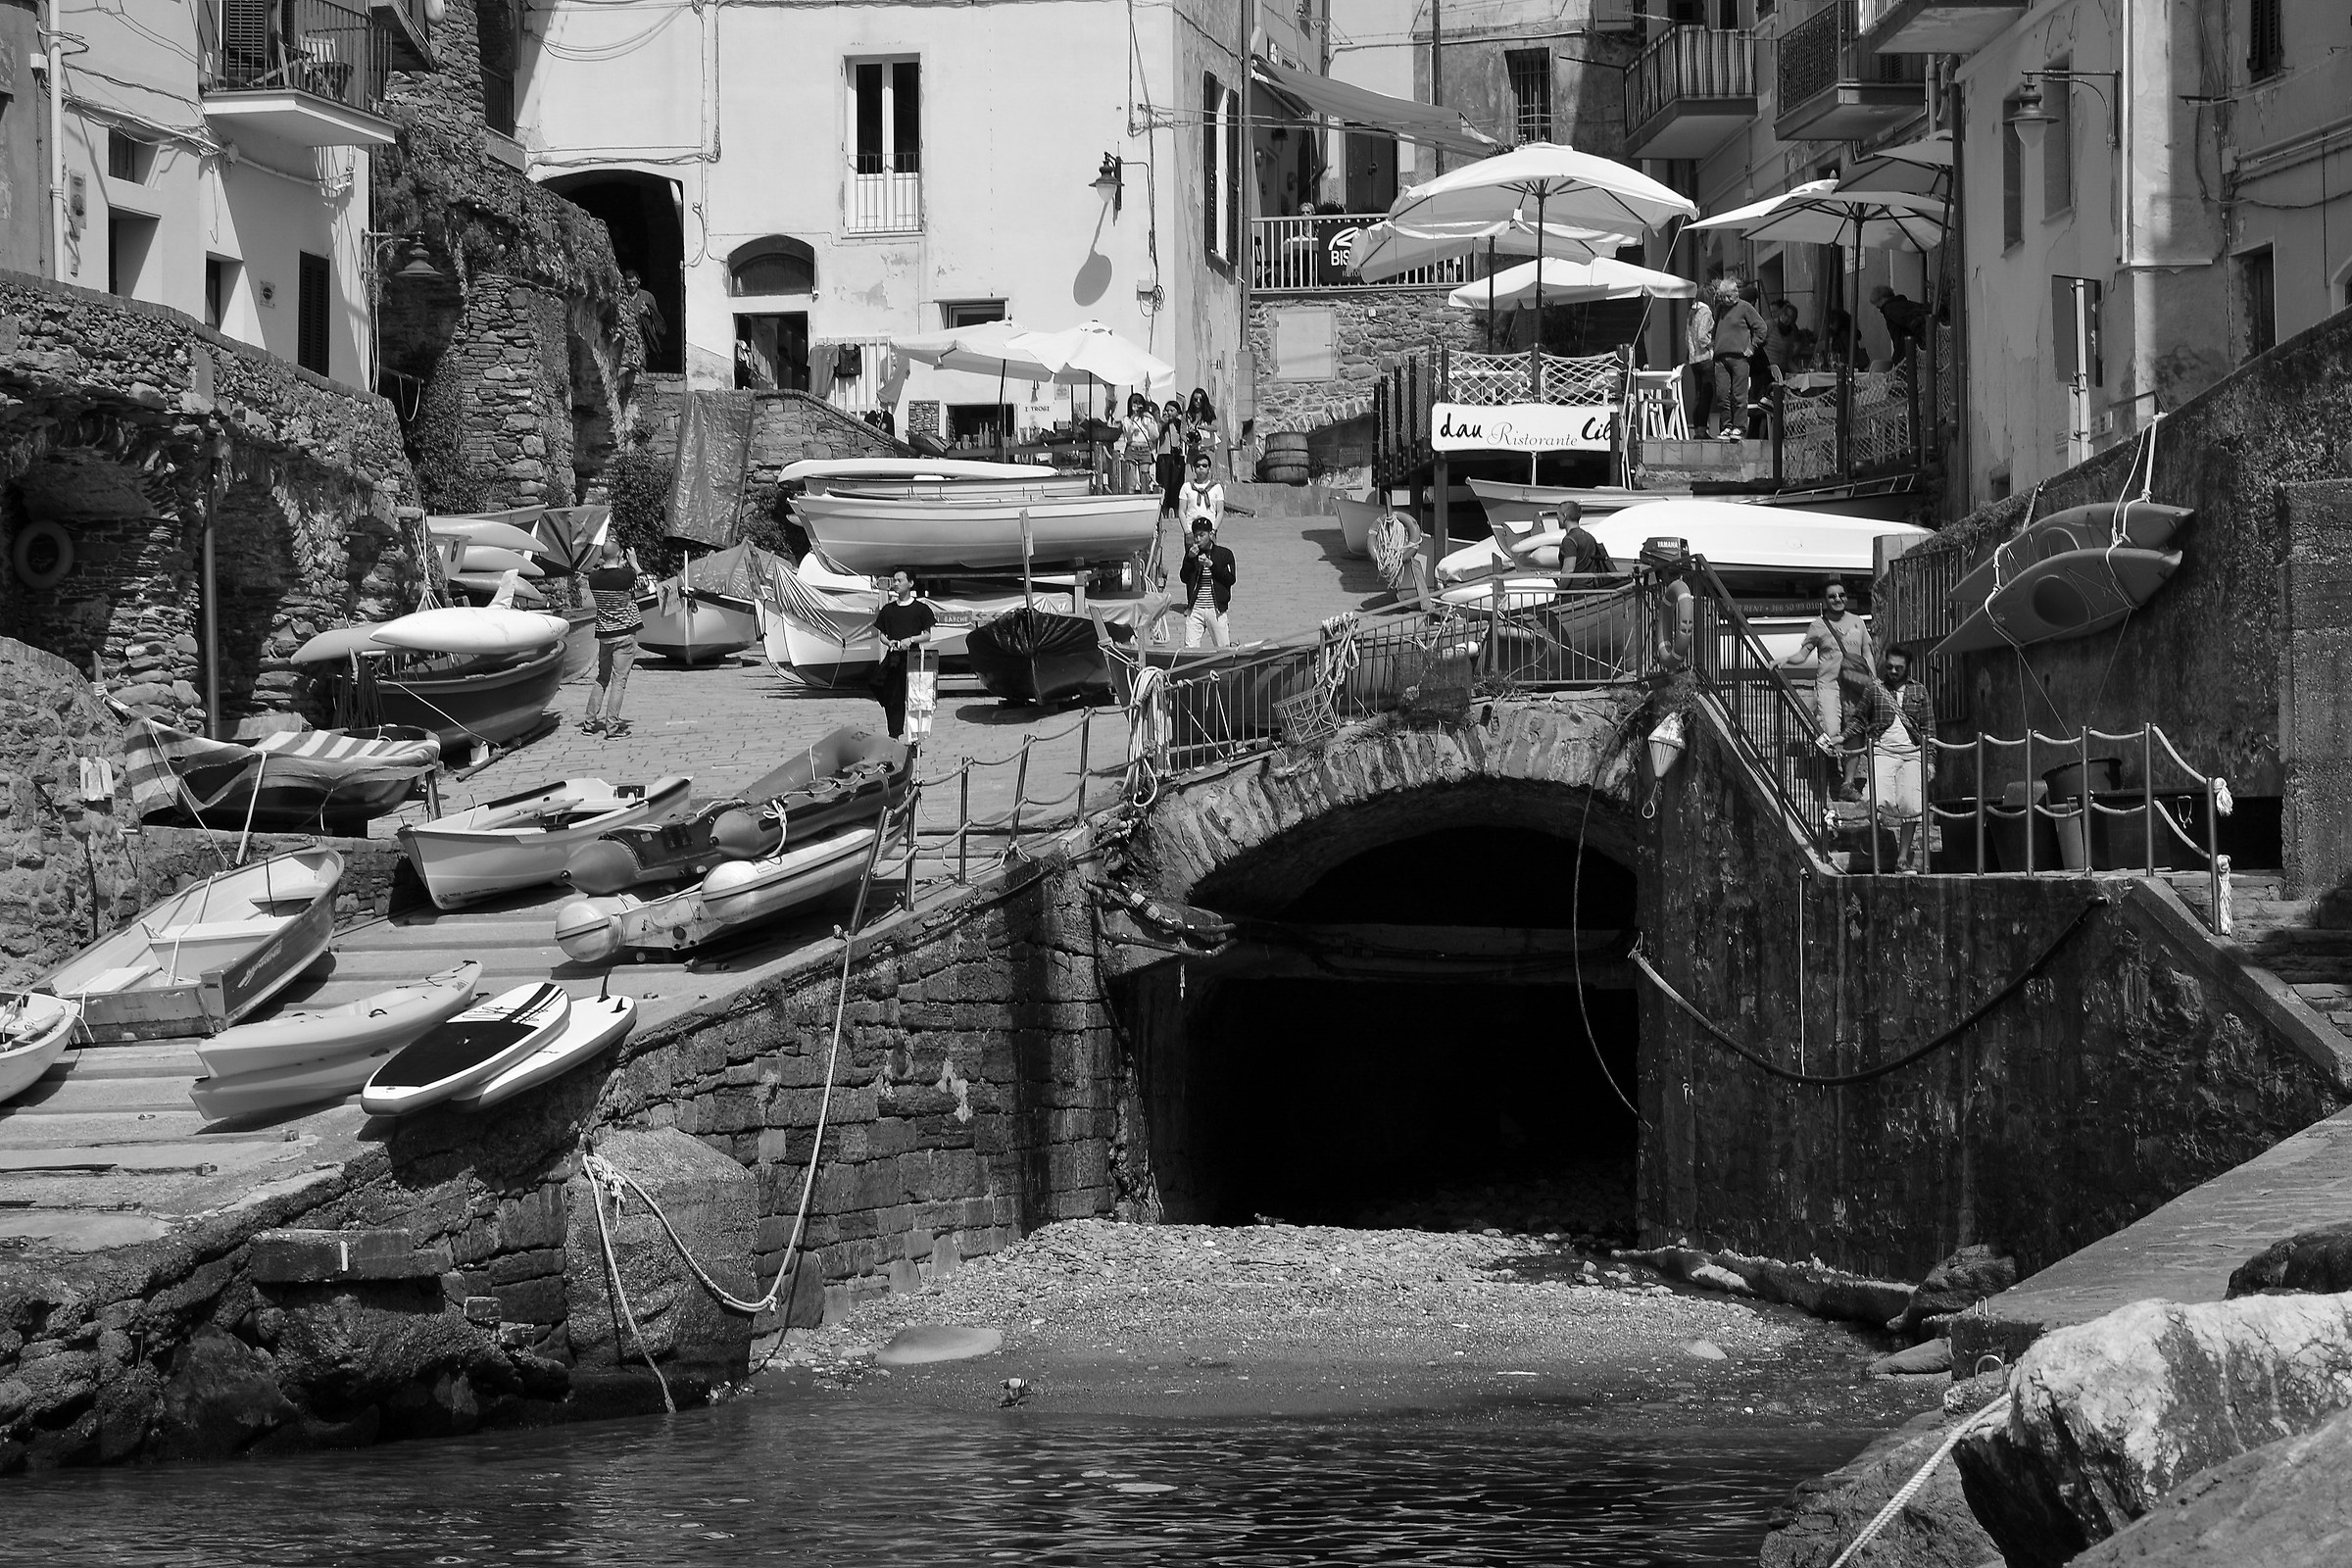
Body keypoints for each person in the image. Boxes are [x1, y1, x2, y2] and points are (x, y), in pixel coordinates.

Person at [1848, 648, 1936, 869]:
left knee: (1911, 804)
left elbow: (1928, 729)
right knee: (1875, 798)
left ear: (1907, 667)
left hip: (1912, 754)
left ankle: (1902, 858)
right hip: (1883, 751)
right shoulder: (1874, 689)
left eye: (1899, 667)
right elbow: (1859, 719)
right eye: (1889, 667)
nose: (1894, 671)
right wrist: (1842, 736)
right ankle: (1874, 835)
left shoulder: (1919, 691)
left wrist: (1930, 761)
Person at [1798, 581, 1877, 797]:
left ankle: (1847, 785)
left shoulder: (1858, 622)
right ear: (1825, 600)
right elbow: (1802, 654)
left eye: (1841, 595)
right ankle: (1823, 775)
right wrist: (1783, 661)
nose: (1837, 599)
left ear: (1846, 597)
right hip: (1829, 685)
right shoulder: (1818, 625)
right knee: (1831, 731)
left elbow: (1867, 653)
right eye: (1832, 596)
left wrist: (1874, 681)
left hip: (1855, 685)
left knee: (1855, 732)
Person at [581, 536, 645, 737]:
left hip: (605, 635)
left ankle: (589, 723)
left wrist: (620, 566)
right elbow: (645, 584)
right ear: (620, 554)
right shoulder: (628, 575)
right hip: (624, 634)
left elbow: (611, 577)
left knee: (602, 678)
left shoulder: (593, 577)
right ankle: (612, 726)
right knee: (619, 681)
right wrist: (634, 564)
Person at [872, 567, 936, 741]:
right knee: (892, 698)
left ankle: (916, 740)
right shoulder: (888, 610)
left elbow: (927, 635)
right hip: (894, 659)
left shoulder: (921, 609)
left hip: (914, 658)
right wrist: (889, 642)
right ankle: (894, 737)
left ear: (911, 583)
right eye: (894, 580)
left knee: (916, 699)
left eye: (900, 580)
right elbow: (882, 635)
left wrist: (911, 639)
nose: (896, 583)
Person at [1710, 279, 1767, 441]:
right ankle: (1727, 426)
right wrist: (1713, 345)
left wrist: (1752, 347)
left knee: (1739, 395)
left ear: (1736, 294)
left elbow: (1761, 328)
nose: (1727, 299)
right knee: (1722, 395)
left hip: (1740, 358)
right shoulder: (1720, 309)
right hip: (1721, 358)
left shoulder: (1745, 307)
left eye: (1729, 296)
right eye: (1724, 296)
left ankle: (1739, 428)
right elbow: (1715, 329)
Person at [1179, 516, 1237, 648]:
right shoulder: (1191, 554)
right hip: (1195, 609)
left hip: (1216, 610)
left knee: (1223, 648)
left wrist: (1212, 565)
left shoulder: (1225, 554)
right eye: (1196, 536)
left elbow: (1230, 579)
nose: (1198, 539)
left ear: (1210, 534)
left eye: (1202, 535)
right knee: (1190, 649)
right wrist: (1189, 559)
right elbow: (1184, 578)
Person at [1684, 291, 1717, 437]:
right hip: (1704, 357)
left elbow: (1687, 337)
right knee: (1706, 394)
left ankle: (1697, 430)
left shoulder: (1692, 312)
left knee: (1698, 394)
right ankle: (1702, 430)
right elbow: (1702, 336)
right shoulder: (1705, 312)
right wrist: (1712, 344)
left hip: (1694, 359)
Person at [1870, 283, 1930, 363]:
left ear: (1882, 299)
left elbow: (1912, 323)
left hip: (1907, 352)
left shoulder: (1890, 309)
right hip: (1916, 350)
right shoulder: (1907, 304)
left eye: (1876, 302)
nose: (1877, 306)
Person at [1556, 500, 1614, 576]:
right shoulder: (1589, 537)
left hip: (1576, 583)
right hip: (1590, 582)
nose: (1557, 518)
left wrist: (1562, 583)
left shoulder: (1569, 540)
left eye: (1558, 515)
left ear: (1564, 516)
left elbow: (1569, 569)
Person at [1153, 399, 1189, 519]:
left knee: (1177, 486)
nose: (1169, 413)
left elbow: (1185, 436)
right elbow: (1155, 434)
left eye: (1172, 410)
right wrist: (1163, 422)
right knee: (1164, 486)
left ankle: (1178, 514)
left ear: (1177, 411)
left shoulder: (1180, 423)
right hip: (1164, 456)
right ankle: (1164, 514)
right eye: (1167, 410)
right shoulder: (1161, 423)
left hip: (1177, 456)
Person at [1118, 394, 1157, 496]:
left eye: (1139, 403)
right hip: (1131, 447)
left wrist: (1151, 420)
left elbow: (1154, 435)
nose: (1137, 406)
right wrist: (1132, 419)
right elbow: (1128, 433)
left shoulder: (1147, 419)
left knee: (1145, 478)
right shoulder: (1126, 419)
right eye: (1134, 403)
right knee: (1131, 480)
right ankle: (1130, 498)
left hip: (1144, 448)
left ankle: (1145, 498)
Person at [1177, 452, 1224, 533]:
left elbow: (1220, 511)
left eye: (1204, 466)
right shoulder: (1187, 487)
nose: (1201, 468)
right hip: (1191, 530)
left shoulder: (1217, 487)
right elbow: (1181, 511)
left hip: (1209, 531)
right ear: (1194, 469)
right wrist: (1186, 530)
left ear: (1209, 469)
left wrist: (1214, 530)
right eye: (1198, 466)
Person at [624, 270, 665, 361]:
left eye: (634, 282)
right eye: (629, 283)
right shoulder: (622, 296)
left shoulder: (648, 297)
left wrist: (648, 313)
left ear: (639, 281)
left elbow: (658, 319)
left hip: (646, 341)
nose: (632, 285)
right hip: (628, 340)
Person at [1184, 388, 1221, 475]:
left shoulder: (1211, 411)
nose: (1198, 402)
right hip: (1193, 450)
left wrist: (1201, 427)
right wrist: (1188, 441)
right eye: (1195, 399)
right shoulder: (1187, 414)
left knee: (1206, 477)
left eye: (1201, 399)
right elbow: (1183, 432)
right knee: (1191, 476)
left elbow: (1215, 427)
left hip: (1207, 449)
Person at [1764, 300, 1802, 375]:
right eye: (1785, 315)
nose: (1786, 319)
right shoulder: (1769, 325)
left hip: (1781, 372)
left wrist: (1798, 372)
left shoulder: (1790, 335)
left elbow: (1788, 360)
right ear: (1780, 314)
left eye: (1790, 317)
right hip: (1766, 370)